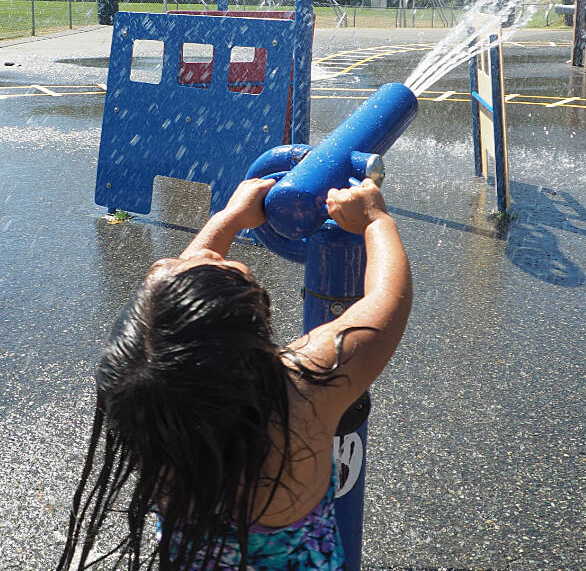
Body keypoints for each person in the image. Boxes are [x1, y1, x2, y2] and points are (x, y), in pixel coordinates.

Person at [56, 176, 412, 571]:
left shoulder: (152, 412)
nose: (186, 257)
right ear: (245, 333)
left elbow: (179, 333)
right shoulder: (300, 394)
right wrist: (375, 221)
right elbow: (386, 301)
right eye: (220, 268)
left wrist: (228, 218)